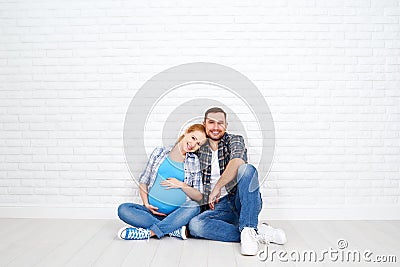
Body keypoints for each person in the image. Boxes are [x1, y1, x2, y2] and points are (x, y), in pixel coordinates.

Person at [188, 107, 286, 255]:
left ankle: (248, 227)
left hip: (242, 201)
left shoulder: (235, 140)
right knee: (195, 225)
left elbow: (237, 161)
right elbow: (181, 151)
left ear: (226, 125)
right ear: (204, 124)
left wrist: (217, 187)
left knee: (247, 169)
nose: (215, 127)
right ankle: (254, 231)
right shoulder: (199, 145)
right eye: (211, 122)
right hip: (218, 208)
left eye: (220, 123)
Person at [117, 124, 206, 240]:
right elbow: (144, 181)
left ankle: (150, 232)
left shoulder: (194, 162)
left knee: (194, 207)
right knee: (123, 209)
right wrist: (146, 204)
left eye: (198, 144)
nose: (193, 144)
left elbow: (199, 196)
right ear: (186, 132)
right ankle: (172, 229)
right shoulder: (159, 153)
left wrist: (181, 184)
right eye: (193, 138)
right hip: (151, 213)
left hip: (177, 215)